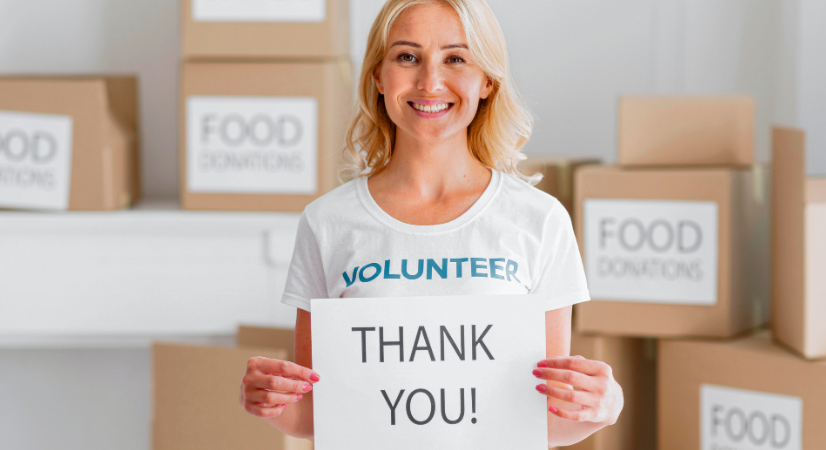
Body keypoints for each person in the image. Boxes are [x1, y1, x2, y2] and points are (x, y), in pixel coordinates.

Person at [238, 0, 623, 446]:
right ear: (378, 77)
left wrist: (605, 407)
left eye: (455, 58)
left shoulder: (539, 220)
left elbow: (546, 419)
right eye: (407, 57)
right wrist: (266, 399)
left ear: (487, 83)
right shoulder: (327, 222)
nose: (430, 81)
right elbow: (317, 415)